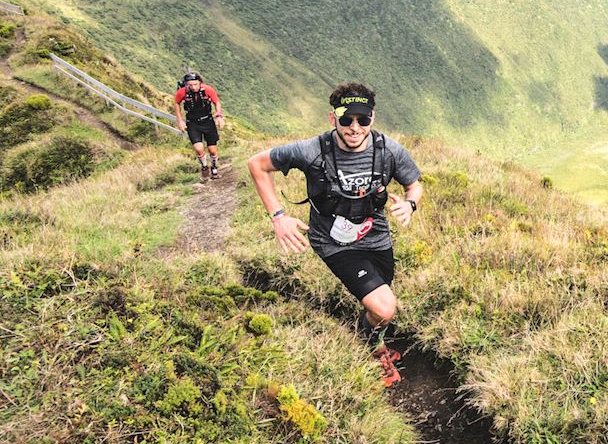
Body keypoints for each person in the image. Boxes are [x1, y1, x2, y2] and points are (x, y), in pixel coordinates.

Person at [246, 82, 423, 385]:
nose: (355, 127)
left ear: (373, 117)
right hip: (333, 242)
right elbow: (257, 165)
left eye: (362, 119)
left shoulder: (388, 150)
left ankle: (371, 333)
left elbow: (414, 184)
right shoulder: (312, 150)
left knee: (379, 306)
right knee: (384, 306)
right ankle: (374, 349)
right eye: (346, 119)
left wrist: (410, 204)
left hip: (376, 235)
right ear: (333, 119)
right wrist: (279, 217)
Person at [175, 72, 226, 179]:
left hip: (208, 121)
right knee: (199, 149)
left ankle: (214, 167)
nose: (193, 87)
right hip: (192, 123)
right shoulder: (182, 92)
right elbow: (177, 103)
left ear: (200, 83)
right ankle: (204, 166)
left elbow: (216, 102)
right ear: (186, 84)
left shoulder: (208, 90)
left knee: (212, 150)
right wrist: (180, 120)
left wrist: (219, 115)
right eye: (190, 85)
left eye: (196, 84)